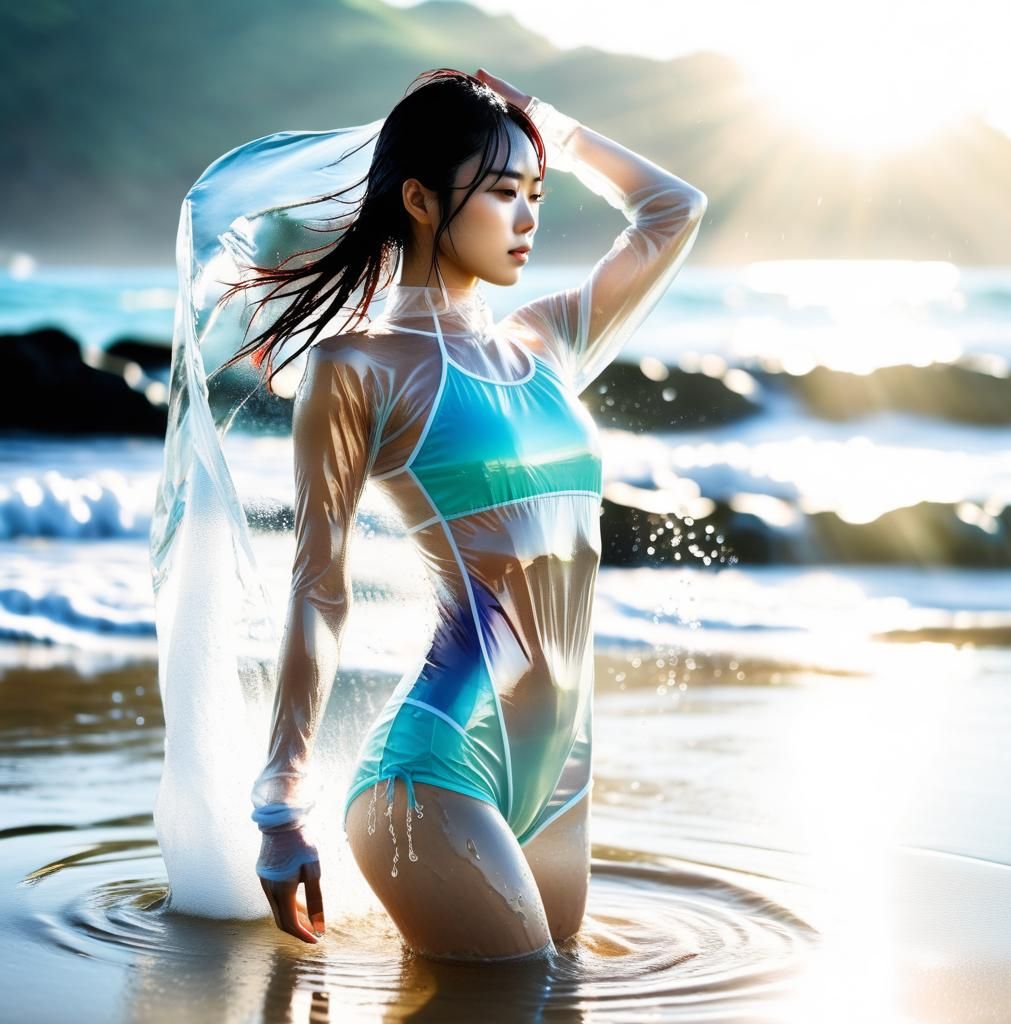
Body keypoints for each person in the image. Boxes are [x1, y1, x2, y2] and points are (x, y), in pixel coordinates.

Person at [222, 66, 706, 961]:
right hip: (435, 773)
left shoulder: (548, 341)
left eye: (535, 194)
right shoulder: (358, 368)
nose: (526, 218)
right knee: (520, 993)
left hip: (560, 770)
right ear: (418, 198)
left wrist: (549, 127)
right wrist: (280, 803)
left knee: (552, 999)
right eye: (499, 192)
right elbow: (318, 589)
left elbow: (674, 209)